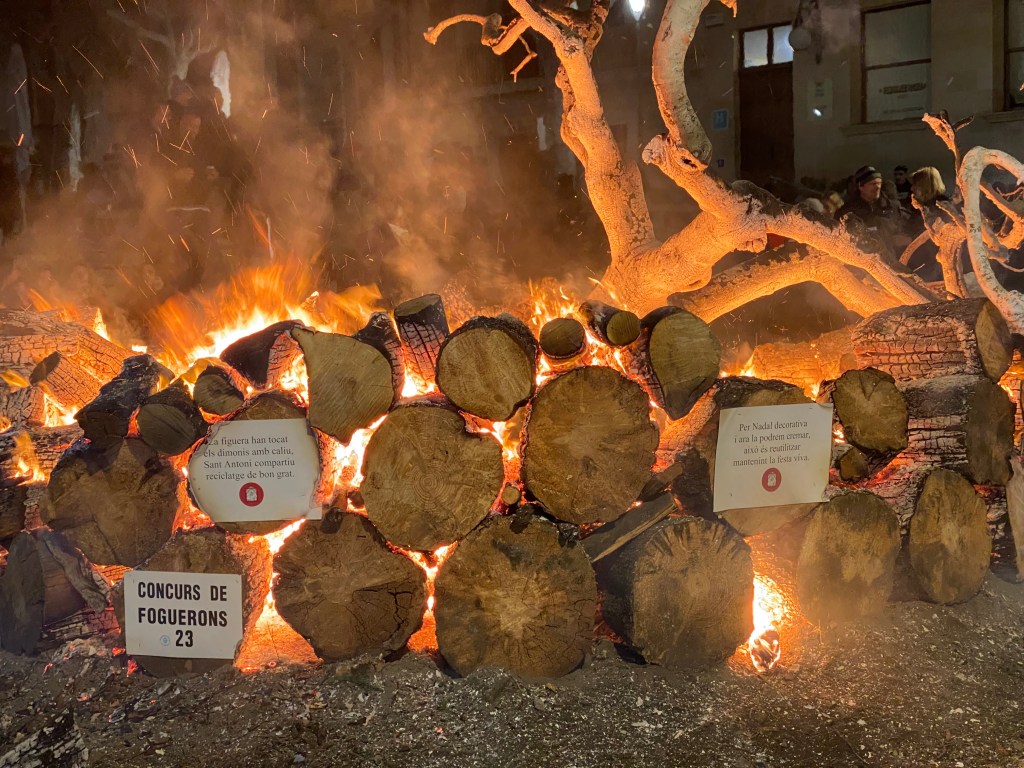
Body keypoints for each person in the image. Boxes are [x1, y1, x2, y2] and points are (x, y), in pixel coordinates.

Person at [836, 165, 903, 240]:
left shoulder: (893, 207)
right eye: (873, 184)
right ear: (860, 186)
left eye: (879, 183)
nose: (878, 187)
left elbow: (902, 231)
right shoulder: (846, 212)